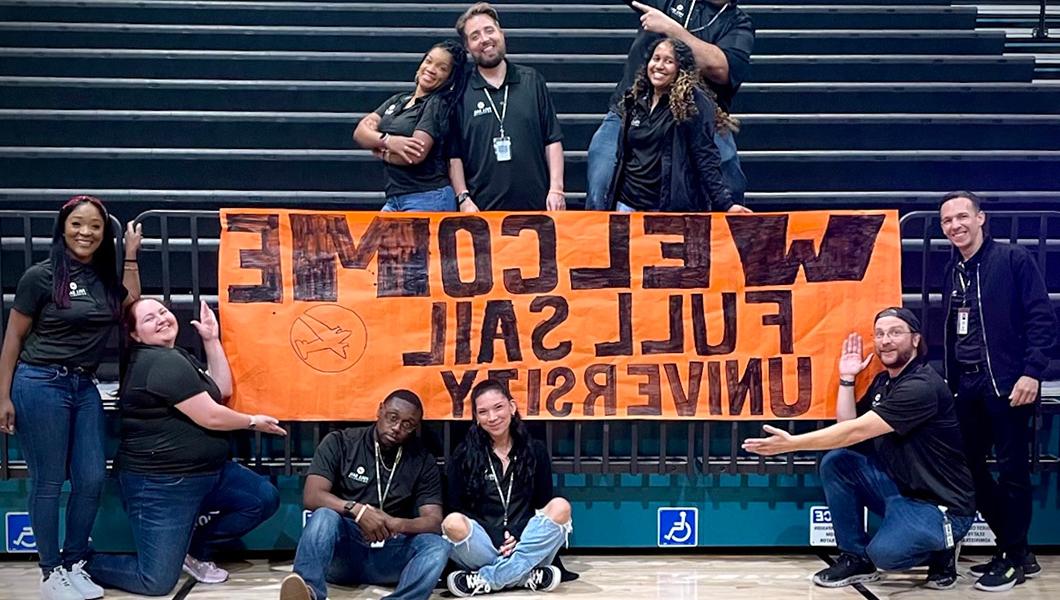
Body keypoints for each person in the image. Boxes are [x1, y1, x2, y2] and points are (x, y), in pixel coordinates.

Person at [743, 307, 976, 590]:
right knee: (839, 461)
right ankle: (855, 558)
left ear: (915, 340)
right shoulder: (884, 383)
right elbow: (848, 431)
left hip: (940, 506)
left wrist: (792, 444)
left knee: (887, 554)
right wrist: (847, 378)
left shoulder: (922, 386)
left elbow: (855, 430)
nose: (885, 340)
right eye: (879, 334)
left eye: (895, 332)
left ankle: (944, 549)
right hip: (900, 492)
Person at [85, 298, 286, 596]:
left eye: (163, 312)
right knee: (156, 582)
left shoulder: (176, 355)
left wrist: (211, 339)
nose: (162, 319)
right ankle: (81, 562)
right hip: (163, 485)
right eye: (150, 318)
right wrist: (253, 422)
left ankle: (194, 549)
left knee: (262, 498)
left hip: (210, 473)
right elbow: (211, 415)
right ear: (135, 335)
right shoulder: (159, 362)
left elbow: (222, 389)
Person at [0, 195, 141, 600]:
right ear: (63, 228)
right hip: (40, 383)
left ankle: (75, 561)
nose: (86, 232)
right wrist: (3, 396)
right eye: (78, 224)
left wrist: (130, 255)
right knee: (48, 481)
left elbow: (129, 300)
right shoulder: (40, 277)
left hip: (84, 386)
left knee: (92, 478)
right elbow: (13, 340)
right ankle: (50, 573)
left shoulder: (102, 280)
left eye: (95, 226)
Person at [939, 191, 1057, 592]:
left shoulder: (1013, 260)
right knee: (968, 469)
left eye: (962, 217)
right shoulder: (952, 270)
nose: (955, 225)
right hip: (968, 385)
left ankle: (1012, 555)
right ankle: (1016, 548)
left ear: (981, 218)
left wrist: (1032, 372)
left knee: (1012, 472)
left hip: (1008, 383)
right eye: (947, 221)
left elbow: (1042, 319)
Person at [279, 390, 450, 600]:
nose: (397, 428)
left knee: (437, 546)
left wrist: (397, 523)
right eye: (393, 418)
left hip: (391, 549)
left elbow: (433, 521)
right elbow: (312, 496)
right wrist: (357, 510)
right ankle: (309, 592)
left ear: (415, 428)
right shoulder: (341, 442)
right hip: (344, 552)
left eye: (407, 424)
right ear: (380, 410)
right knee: (324, 516)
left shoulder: (422, 461)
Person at [586, 0, 754, 210]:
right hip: (634, 111)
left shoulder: (738, 23)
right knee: (600, 184)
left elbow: (720, 67)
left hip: (694, 118)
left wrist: (670, 28)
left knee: (731, 185)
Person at [442, 380, 572, 596]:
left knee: (560, 506)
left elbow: (542, 506)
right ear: (476, 417)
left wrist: (518, 535)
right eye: (483, 412)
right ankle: (524, 576)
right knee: (452, 523)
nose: (492, 417)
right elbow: (457, 509)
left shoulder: (535, 450)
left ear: (512, 407)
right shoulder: (463, 455)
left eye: (498, 407)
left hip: (525, 542)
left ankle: (487, 579)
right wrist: (497, 536)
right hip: (483, 546)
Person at [608, 37, 749, 213]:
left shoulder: (692, 103)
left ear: (681, 68)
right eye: (656, 58)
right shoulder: (635, 98)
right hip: (627, 204)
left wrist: (725, 204)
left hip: (666, 208)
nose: (659, 66)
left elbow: (704, 156)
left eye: (669, 61)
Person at [450, 2, 566, 212]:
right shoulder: (460, 90)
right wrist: (463, 198)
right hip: (481, 213)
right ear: (467, 46)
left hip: (537, 209)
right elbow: (454, 153)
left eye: (489, 30)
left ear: (501, 33)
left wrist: (556, 189)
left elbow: (552, 139)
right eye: (475, 36)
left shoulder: (532, 81)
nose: (485, 39)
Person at [354, 40, 469, 212]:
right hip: (395, 199)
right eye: (429, 61)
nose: (431, 69)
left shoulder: (436, 103)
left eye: (442, 68)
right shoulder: (399, 100)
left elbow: (414, 154)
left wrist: (381, 151)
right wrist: (388, 142)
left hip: (428, 197)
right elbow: (360, 132)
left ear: (449, 78)